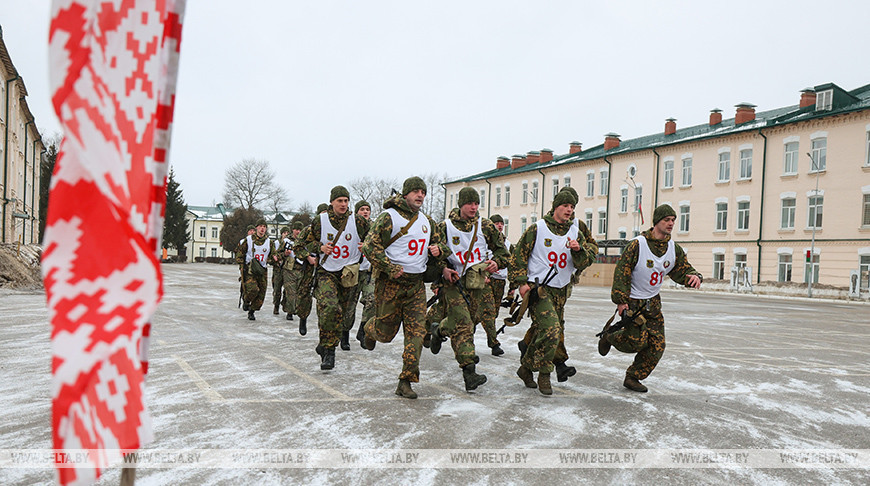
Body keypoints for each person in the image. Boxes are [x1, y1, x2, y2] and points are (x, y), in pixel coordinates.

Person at [598, 204, 702, 393]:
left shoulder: (673, 248)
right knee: (636, 342)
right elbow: (623, 271)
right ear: (656, 222)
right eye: (666, 220)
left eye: (673, 220)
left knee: (657, 345)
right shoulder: (638, 244)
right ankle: (609, 336)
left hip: (652, 302)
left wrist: (694, 276)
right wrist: (621, 300)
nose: (670, 224)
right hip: (633, 301)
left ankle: (633, 377)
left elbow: (682, 269)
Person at [360, 177, 441, 399]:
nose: (420, 195)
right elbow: (369, 246)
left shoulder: (428, 221)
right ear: (405, 194)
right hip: (391, 283)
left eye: (423, 192)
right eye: (415, 191)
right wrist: (388, 267)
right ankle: (370, 329)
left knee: (416, 334)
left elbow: (440, 243)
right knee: (386, 334)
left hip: (415, 285)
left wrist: (438, 250)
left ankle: (405, 381)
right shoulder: (389, 217)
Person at [511, 190, 595, 395]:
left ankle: (526, 368)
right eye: (566, 206)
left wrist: (578, 251)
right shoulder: (537, 229)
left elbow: (585, 262)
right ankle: (545, 374)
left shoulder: (576, 233)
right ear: (556, 206)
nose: (569, 210)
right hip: (539, 289)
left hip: (561, 290)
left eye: (572, 207)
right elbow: (518, 257)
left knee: (546, 331)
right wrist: (521, 283)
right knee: (551, 330)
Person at [429, 187, 509, 392]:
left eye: (476, 203)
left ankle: (438, 330)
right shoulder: (444, 226)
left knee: (471, 320)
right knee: (464, 325)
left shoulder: (486, 226)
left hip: (479, 282)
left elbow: (504, 252)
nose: (473, 207)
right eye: (469, 204)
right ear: (461, 204)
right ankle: (469, 371)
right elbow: (432, 255)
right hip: (454, 282)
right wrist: (443, 270)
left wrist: (496, 263)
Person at [295, 188, 369, 370]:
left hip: (349, 273)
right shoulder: (320, 222)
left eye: (346, 201)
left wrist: (366, 245)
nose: (343, 204)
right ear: (331, 203)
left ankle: (325, 344)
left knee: (342, 315)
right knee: (329, 308)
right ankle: (329, 353)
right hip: (327, 272)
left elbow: (375, 238)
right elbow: (301, 244)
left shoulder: (358, 221)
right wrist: (319, 247)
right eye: (339, 201)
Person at [294, 203, 329, 336]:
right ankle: (303, 318)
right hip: (309, 267)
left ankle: (324, 327)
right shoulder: (309, 230)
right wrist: (307, 257)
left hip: (325, 269)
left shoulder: (334, 229)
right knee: (304, 295)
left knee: (324, 298)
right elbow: (297, 246)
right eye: (322, 213)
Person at [348, 200, 376, 348]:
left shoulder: (375, 227)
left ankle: (363, 330)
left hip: (368, 271)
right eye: (362, 209)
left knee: (372, 300)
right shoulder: (350, 226)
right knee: (349, 306)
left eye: (367, 209)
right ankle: (345, 334)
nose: (365, 212)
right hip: (352, 271)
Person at [236, 219, 272, 321]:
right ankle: (246, 300)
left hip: (262, 271)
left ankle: (252, 311)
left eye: (264, 226)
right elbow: (240, 254)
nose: (262, 228)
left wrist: (275, 258)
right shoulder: (248, 240)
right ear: (256, 228)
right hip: (250, 270)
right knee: (253, 289)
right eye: (260, 226)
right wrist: (242, 265)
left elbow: (273, 255)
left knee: (261, 296)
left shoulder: (269, 242)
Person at [280, 221, 304, 321]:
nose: (298, 232)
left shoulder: (305, 240)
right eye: (296, 229)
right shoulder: (286, 241)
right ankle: (290, 312)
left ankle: (286, 303)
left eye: (300, 230)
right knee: (291, 293)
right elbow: (278, 254)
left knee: (298, 293)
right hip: (289, 270)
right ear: (292, 229)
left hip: (301, 270)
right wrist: (284, 254)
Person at [271, 226, 291, 314]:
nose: (286, 234)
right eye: (284, 232)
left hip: (287, 268)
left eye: (287, 232)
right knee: (277, 289)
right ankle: (276, 306)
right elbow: (274, 254)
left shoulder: (290, 242)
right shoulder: (276, 243)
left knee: (287, 289)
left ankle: (285, 304)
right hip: (278, 269)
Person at [236, 224, 256, 311]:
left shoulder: (257, 241)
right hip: (245, 266)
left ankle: (250, 301)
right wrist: (241, 266)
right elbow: (238, 254)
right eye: (250, 230)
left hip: (255, 266)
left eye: (253, 230)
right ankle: (245, 300)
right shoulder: (243, 241)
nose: (252, 232)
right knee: (245, 284)